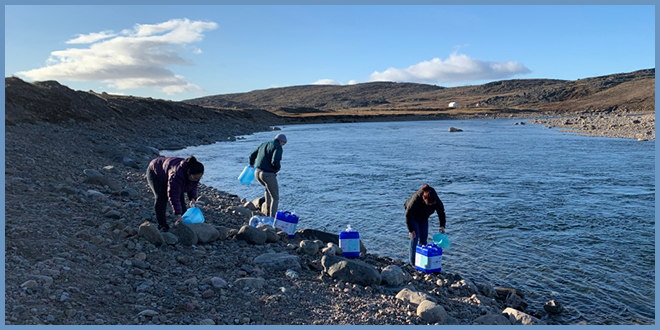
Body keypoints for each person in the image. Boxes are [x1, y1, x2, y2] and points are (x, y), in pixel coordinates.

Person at [146, 156, 204, 231]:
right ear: (188, 173)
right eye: (195, 178)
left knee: (181, 198)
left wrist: (192, 199)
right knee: (162, 197)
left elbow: (193, 186)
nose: (197, 180)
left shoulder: (195, 174)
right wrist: (178, 216)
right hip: (155, 171)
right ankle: (162, 224)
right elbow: (173, 196)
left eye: (199, 178)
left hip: (168, 170)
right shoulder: (176, 175)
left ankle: (185, 223)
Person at [404, 183, 446, 265]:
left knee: (424, 240)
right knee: (414, 238)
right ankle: (412, 263)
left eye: (432, 204)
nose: (431, 205)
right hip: (413, 216)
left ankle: (422, 262)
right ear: (424, 198)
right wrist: (410, 230)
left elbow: (441, 212)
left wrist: (442, 226)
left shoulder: (435, 200)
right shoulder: (416, 199)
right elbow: (407, 214)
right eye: (429, 204)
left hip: (424, 217)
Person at [249, 133, 287, 217]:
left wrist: (251, 163)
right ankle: (272, 218)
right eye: (284, 144)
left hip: (257, 172)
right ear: (281, 141)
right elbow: (275, 160)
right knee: (275, 197)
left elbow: (252, 155)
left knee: (268, 189)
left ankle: (266, 213)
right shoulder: (278, 147)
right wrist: (277, 168)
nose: (283, 145)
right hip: (267, 174)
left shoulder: (264, 144)